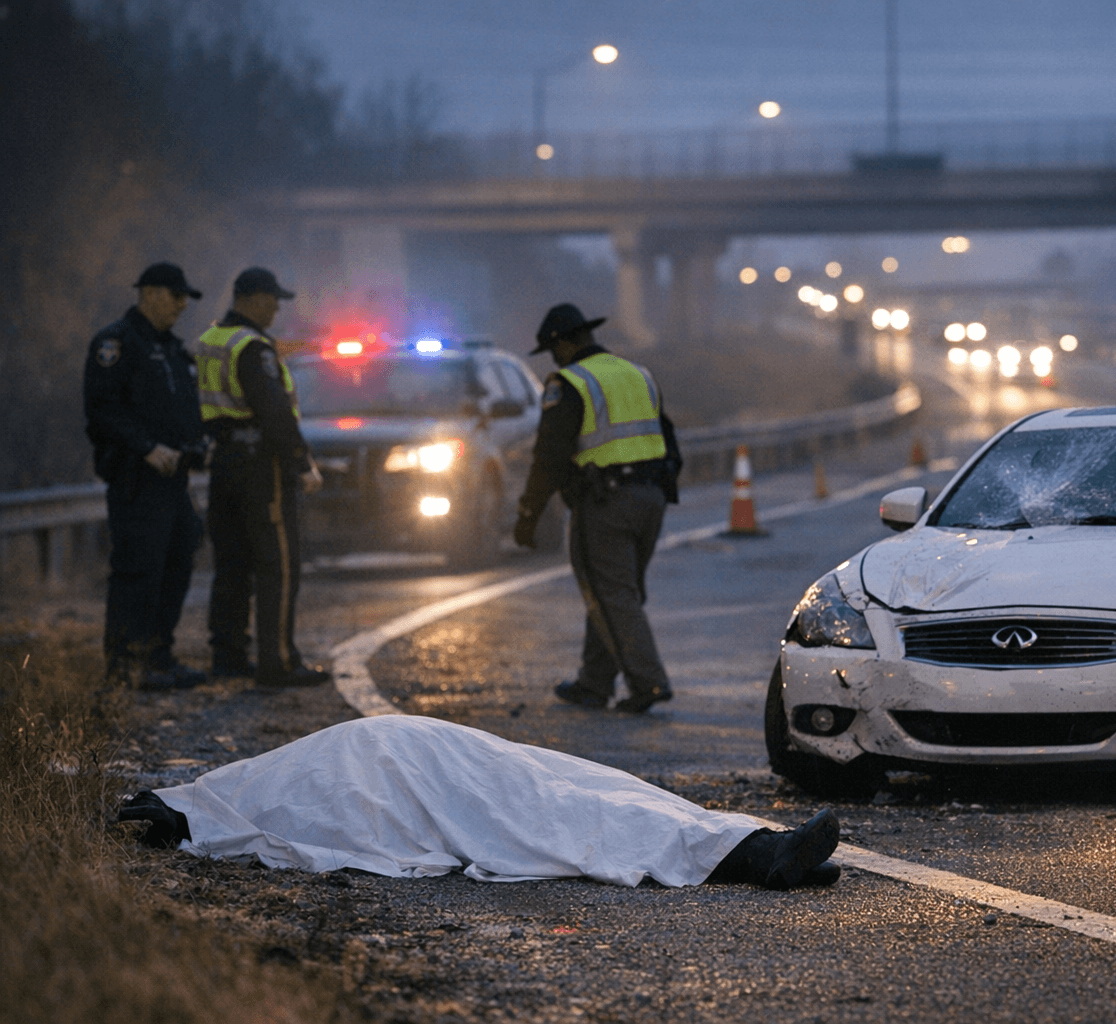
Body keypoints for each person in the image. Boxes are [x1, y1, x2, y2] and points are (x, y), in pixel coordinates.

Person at [117, 714, 841, 890]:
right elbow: (335, 821)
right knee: (556, 818)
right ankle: (759, 855)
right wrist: (179, 814)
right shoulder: (227, 805)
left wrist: (177, 807)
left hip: (435, 751)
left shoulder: (227, 790)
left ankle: (758, 844)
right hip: (424, 778)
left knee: (591, 788)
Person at [513, 304, 683, 714]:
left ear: (565, 343)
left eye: (552, 350)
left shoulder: (569, 382)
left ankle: (649, 683)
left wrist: (528, 513)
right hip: (650, 499)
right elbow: (670, 441)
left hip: (605, 503)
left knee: (610, 593)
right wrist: (662, 492)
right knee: (616, 593)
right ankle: (594, 681)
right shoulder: (635, 373)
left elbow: (549, 456)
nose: (553, 358)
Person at [196, 268, 330, 688]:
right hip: (261, 466)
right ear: (252, 298)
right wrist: (300, 462)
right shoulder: (254, 348)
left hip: (224, 461)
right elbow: (274, 411)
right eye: (273, 300)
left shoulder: (209, 340)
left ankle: (229, 657)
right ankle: (279, 662)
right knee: (279, 564)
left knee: (232, 563)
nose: (277, 308)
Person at [84, 262, 209, 690]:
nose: (180, 306)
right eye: (176, 296)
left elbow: (185, 411)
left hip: (174, 478)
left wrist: (198, 445)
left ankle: (158, 657)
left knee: (177, 557)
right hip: (136, 477)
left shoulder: (173, 350)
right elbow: (102, 411)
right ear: (151, 293)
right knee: (138, 568)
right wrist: (146, 448)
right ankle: (124, 665)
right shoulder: (117, 343)